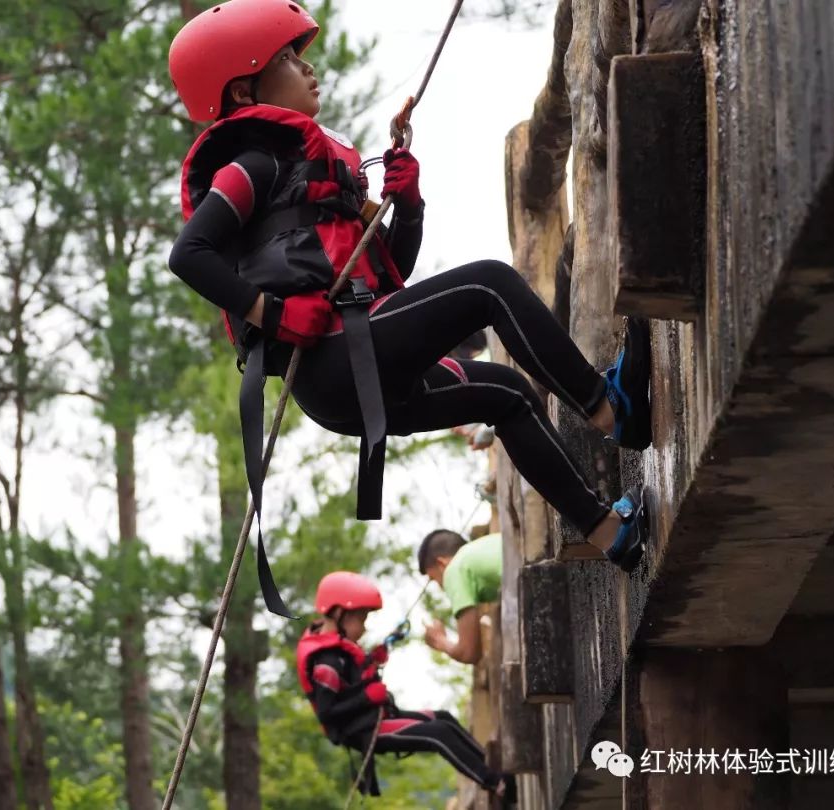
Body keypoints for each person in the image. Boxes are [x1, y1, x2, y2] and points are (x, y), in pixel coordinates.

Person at [166, 0, 652, 586]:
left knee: (504, 392)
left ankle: (610, 534)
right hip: (334, 360)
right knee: (489, 283)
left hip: (353, 358)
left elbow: (390, 272)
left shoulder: (306, 170)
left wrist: (410, 205)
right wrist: (276, 313)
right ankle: (609, 408)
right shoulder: (247, 167)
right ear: (244, 93)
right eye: (289, 59)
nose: (309, 68)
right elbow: (188, 254)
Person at [297, 571, 517, 801]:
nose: (364, 628)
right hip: (362, 730)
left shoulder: (337, 647)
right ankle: (498, 784)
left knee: (443, 718)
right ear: (340, 613)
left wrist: (376, 657)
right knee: (438, 734)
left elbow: (352, 677)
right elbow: (327, 713)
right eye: (361, 620)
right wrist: (367, 698)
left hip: (376, 716)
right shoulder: (326, 663)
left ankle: (492, 768)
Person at [417, 530, 501, 665]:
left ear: (441, 564)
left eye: (434, 579)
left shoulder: (454, 569)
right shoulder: (486, 546)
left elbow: (469, 653)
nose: (441, 587)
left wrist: (440, 640)